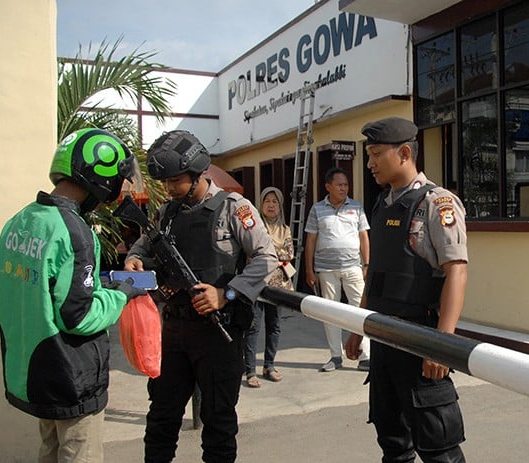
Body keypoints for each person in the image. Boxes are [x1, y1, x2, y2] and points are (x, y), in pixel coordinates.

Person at [123, 130, 276, 462]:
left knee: (219, 422)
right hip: (174, 331)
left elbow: (267, 258)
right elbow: (142, 246)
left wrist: (227, 294)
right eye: (165, 182)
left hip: (217, 333)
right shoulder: (167, 212)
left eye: (175, 180)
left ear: (197, 172)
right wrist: (133, 260)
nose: (169, 188)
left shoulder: (234, 208)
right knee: (161, 418)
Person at [0, 128, 145, 462]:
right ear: (100, 176)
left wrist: (98, 287)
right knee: (79, 453)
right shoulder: (74, 232)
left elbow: (42, 293)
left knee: (48, 450)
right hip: (70, 376)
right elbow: (79, 316)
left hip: (35, 374)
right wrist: (122, 294)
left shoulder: (18, 223)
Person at [346, 117, 469, 462]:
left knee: (439, 448)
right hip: (385, 340)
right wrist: (359, 327)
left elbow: (457, 271)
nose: (369, 164)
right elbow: (375, 276)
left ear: (403, 153)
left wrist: (441, 344)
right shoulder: (383, 205)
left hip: (420, 340)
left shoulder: (437, 203)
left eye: (375, 154)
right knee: (394, 444)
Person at [304, 166, 372, 372]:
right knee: (330, 312)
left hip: (353, 267)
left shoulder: (357, 207)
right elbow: (311, 240)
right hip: (326, 269)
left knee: (360, 311)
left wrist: (367, 264)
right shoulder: (317, 209)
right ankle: (335, 356)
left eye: (346, 185)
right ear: (328, 186)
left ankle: (365, 356)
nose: (344, 188)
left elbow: (363, 237)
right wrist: (309, 269)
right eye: (339, 185)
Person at [243, 187, 293, 387]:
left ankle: (269, 366)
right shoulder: (255, 228)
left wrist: (269, 251)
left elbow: (288, 254)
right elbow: (252, 252)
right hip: (257, 284)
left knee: (274, 326)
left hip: (278, 287)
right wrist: (274, 253)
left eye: (275, 202)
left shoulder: (285, 229)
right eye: (267, 201)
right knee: (253, 327)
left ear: (280, 206)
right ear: (260, 205)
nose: (271, 205)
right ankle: (250, 371)